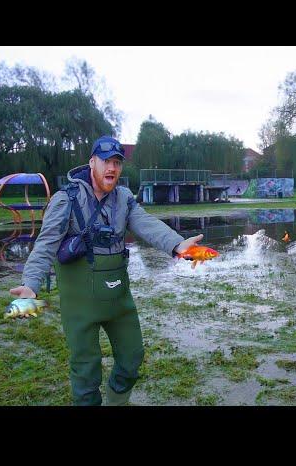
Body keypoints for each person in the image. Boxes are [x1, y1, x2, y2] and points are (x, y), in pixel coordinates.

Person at [10, 136, 203, 406]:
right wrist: (31, 285)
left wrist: (177, 244)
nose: (111, 168)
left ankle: (116, 402)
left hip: (118, 299)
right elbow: (45, 245)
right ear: (92, 162)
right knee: (86, 371)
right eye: (106, 161)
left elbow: (145, 224)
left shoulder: (124, 198)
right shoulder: (66, 200)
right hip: (80, 303)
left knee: (132, 357)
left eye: (117, 163)